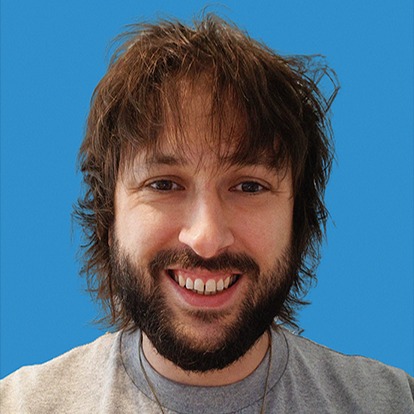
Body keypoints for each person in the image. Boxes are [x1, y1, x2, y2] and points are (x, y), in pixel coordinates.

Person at [1, 13, 413, 414]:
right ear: (108, 216)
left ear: (297, 218)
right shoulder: (19, 405)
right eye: (164, 185)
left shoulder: (395, 402)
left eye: (249, 186)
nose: (206, 238)